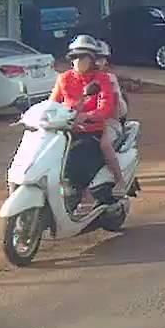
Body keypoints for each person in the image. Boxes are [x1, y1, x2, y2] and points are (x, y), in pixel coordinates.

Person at [49, 35, 118, 203]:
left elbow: (106, 107)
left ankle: (86, 194)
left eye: (82, 57)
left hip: (92, 130)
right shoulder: (64, 78)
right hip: (66, 129)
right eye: (74, 57)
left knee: (76, 158)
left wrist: (87, 116)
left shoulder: (102, 79)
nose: (78, 61)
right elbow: (52, 104)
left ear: (92, 59)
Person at [93, 40, 129, 192]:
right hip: (82, 123)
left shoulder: (108, 79)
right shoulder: (73, 79)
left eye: (100, 58)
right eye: (94, 58)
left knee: (104, 145)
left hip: (109, 122)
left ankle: (119, 179)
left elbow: (116, 110)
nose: (97, 62)